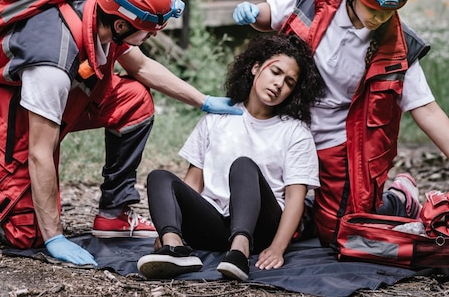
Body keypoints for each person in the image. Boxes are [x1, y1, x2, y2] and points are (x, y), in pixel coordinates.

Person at [0, 0, 242, 267]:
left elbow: (139, 65)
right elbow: (40, 153)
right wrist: (54, 237)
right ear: (122, 25)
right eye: (150, 29)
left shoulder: (100, 10)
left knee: (134, 101)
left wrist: (204, 100)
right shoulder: (51, 63)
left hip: (58, 105)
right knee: (28, 233)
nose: (154, 34)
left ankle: (114, 212)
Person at [231, 0, 449, 246]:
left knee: (340, 234)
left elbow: (426, 109)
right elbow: (273, 14)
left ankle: (399, 199)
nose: (379, 18)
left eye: (388, 11)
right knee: (266, 215)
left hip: (339, 143)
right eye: (372, 8)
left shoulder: (400, 45)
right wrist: (253, 12)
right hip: (286, 127)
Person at [136, 34, 325, 281]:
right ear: (256, 67)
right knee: (160, 177)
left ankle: (239, 252)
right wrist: (169, 227)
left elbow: (295, 199)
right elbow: (193, 184)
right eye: (275, 72)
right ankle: (173, 248)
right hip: (214, 225)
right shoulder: (218, 118)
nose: (279, 84)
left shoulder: (294, 132)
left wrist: (278, 248)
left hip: (261, 228)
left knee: (243, 166)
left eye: (289, 82)